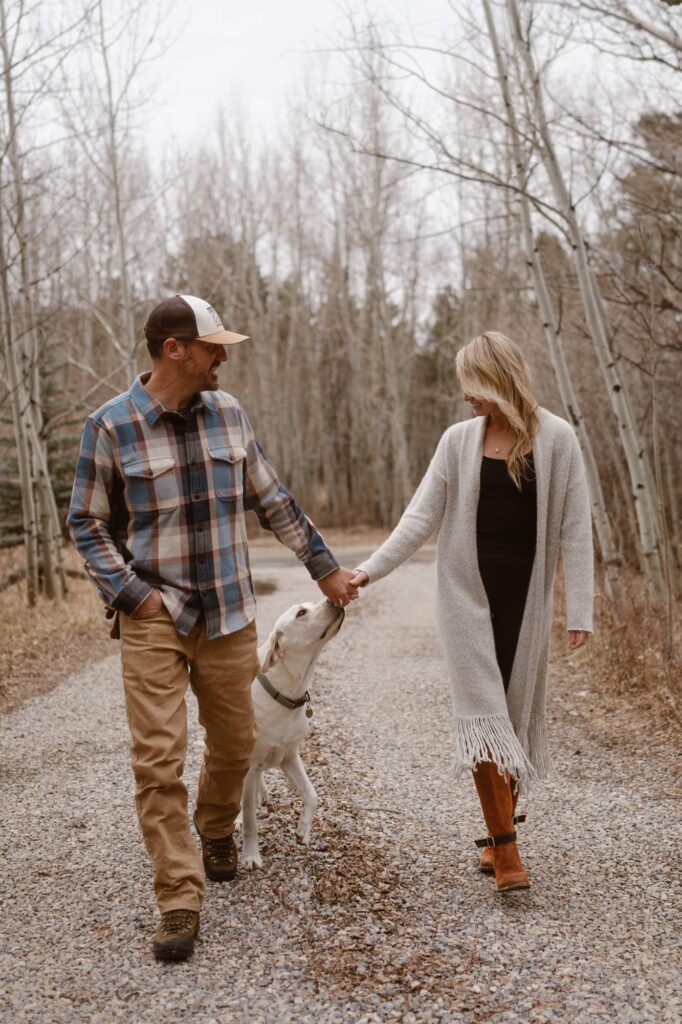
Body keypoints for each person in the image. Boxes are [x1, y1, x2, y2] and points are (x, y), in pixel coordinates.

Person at [68, 294, 359, 961]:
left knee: (234, 745)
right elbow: (85, 522)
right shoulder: (109, 427)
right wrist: (133, 595)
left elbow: (272, 499)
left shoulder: (229, 415)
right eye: (213, 347)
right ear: (176, 349)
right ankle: (178, 894)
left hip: (229, 615)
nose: (223, 357)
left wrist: (325, 570)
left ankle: (216, 824)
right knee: (157, 758)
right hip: (154, 618)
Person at [350, 331, 593, 893]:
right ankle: (506, 852)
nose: (466, 398)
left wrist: (579, 609)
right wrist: (369, 570)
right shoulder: (458, 441)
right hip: (466, 595)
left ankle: (496, 829)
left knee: (511, 714)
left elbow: (576, 532)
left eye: (473, 386)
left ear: (499, 380)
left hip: (525, 599)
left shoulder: (558, 439)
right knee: (483, 716)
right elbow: (419, 518)